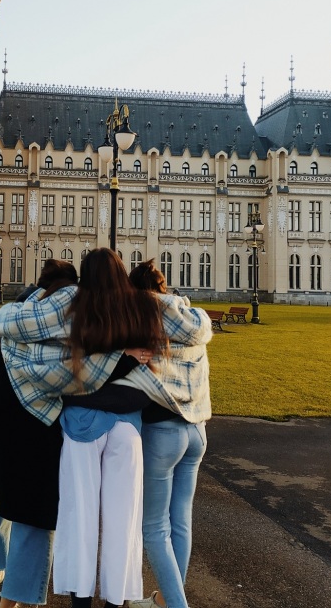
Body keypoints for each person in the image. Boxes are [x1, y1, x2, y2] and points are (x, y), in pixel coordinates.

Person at [0, 248, 210, 608]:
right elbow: (167, 345)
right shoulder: (139, 310)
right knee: (125, 522)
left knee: (81, 518)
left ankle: (81, 602)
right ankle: (117, 600)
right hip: (128, 425)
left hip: (82, 424)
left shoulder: (78, 312)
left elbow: (55, 358)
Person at [0, 259, 78, 608]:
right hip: (42, 428)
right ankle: (16, 598)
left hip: (4, 423)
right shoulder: (69, 321)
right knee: (34, 516)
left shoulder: (15, 317)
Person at [124, 260, 213, 608]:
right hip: (198, 431)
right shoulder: (195, 319)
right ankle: (164, 600)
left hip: (163, 430)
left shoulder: (141, 321)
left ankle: (176, 605)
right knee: (181, 522)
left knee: (155, 529)